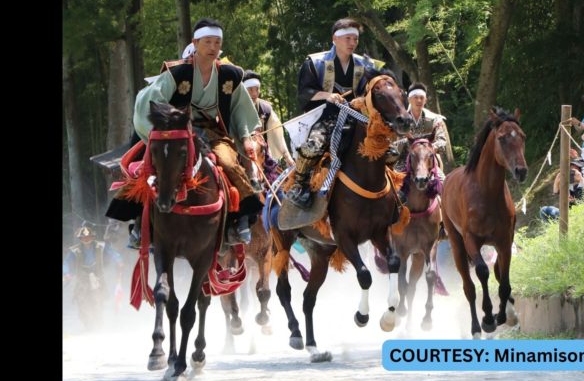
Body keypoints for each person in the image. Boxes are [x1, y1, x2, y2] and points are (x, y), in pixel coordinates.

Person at [122, 18, 263, 245]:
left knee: (228, 164)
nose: (213, 47)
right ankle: (140, 224)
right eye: (207, 42)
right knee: (147, 168)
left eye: (217, 42)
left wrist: (246, 138)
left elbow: (239, 110)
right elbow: (148, 101)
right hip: (177, 134)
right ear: (195, 43)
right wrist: (158, 133)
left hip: (214, 134)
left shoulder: (230, 74)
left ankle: (240, 220)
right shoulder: (177, 72)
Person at [287, 17, 382, 209]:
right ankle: (300, 185)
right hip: (326, 118)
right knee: (312, 147)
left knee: (387, 149)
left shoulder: (366, 64)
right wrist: (327, 95)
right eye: (347, 38)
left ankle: (393, 189)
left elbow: (377, 90)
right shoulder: (315, 62)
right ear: (335, 39)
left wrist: (363, 99)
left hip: (357, 118)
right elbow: (304, 92)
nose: (352, 43)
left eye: (355, 39)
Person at [391, 82, 453, 177]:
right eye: (415, 97)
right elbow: (392, 145)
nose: (419, 100)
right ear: (409, 99)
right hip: (404, 161)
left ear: (426, 100)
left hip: (428, 162)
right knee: (395, 185)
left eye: (422, 98)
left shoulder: (435, 119)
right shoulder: (400, 121)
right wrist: (406, 141)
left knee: (442, 182)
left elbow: (442, 142)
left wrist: (428, 148)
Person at [63, 224, 124, 305]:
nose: (86, 239)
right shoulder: (74, 250)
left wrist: (119, 260)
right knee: (81, 298)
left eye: (88, 237)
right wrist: (66, 273)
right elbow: (66, 262)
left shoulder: (101, 245)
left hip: (98, 275)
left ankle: (99, 312)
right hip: (82, 277)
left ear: (92, 237)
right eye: (83, 237)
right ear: (80, 238)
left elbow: (112, 252)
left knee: (100, 298)